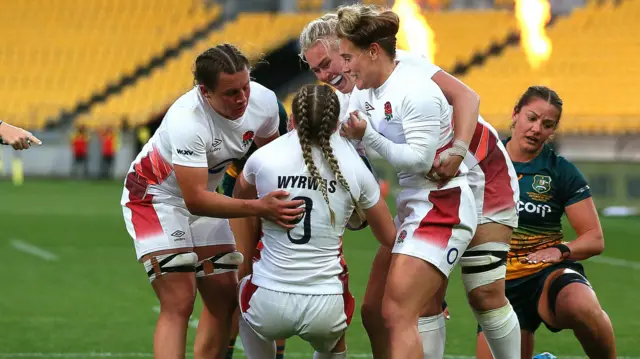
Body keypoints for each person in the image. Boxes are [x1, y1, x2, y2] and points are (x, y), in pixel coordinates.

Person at [301, 6, 520, 359]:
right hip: (422, 188)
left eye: (331, 61)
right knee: (395, 306)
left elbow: (467, 97)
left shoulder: (403, 69)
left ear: (352, 49)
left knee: (483, 292)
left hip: (478, 168)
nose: (325, 74)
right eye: (315, 69)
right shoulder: (353, 91)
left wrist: (459, 151)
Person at [120, 43, 305, 359]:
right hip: (155, 199)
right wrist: (258, 207)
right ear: (205, 92)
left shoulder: (263, 102)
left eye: (245, 87)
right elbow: (194, 201)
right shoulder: (187, 119)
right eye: (231, 93)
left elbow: (270, 160)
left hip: (206, 195)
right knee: (179, 299)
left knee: (225, 299)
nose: (242, 98)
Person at [335, 6, 479, 359]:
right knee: (376, 310)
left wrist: (368, 134)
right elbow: (345, 139)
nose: (344, 68)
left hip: (443, 206)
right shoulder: (363, 91)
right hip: (415, 204)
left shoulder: (416, 91)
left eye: (347, 57)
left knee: (399, 312)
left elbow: (419, 160)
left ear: (373, 51)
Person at [234, 84, 397, 359]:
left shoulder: (263, 158)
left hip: (267, 303)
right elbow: (389, 237)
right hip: (327, 306)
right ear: (336, 123)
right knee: (334, 340)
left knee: (243, 296)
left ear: (292, 120)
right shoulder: (354, 166)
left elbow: (240, 203)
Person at [475, 86, 616, 359]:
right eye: (532, 118)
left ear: (553, 130)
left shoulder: (560, 171)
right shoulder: (483, 162)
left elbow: (594, 238)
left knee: (581, 305)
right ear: (515, 114)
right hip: (498, 284)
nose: (537, 128)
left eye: (547, 124)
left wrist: (560, 251)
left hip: (547, 274)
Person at [197, 99, 290, 359]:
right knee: (238, 272)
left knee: (272, 273)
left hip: (271, 184)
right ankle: (224, 350)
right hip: (238, 185)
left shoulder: (269, 109)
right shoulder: (213, 113)